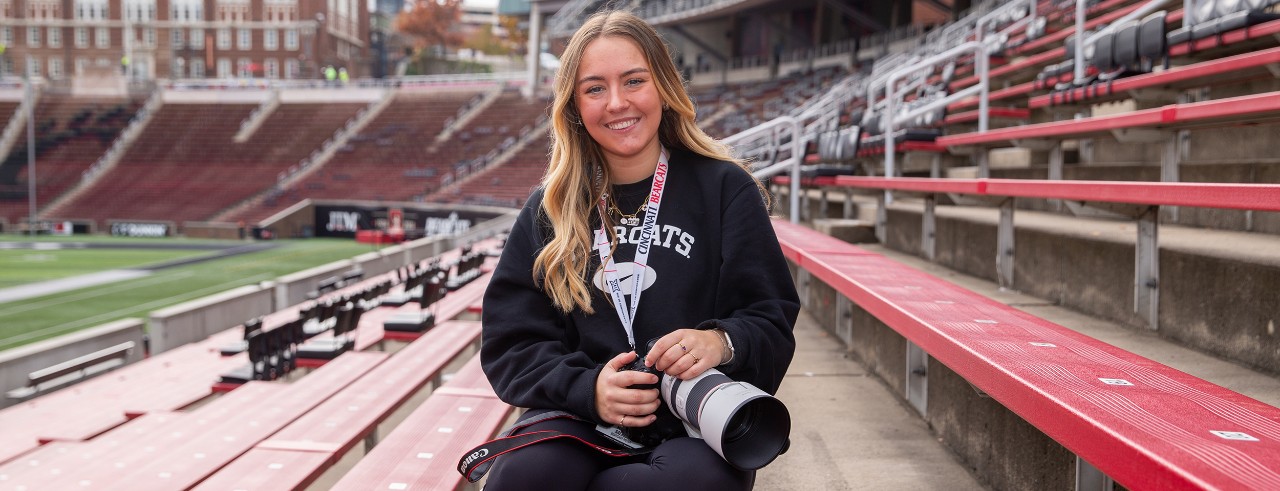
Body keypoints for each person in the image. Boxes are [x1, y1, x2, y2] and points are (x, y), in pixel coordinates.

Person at [475, 10, 799, 491]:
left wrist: (721, 342)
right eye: (594, 88)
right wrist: (589, 390)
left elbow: (770, 316)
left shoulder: (725, 188)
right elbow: (511, 343)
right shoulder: (552, 209)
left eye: (633, 81)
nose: (617, 103)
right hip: (577, 416)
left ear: (664, 88)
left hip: (692, 422)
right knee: (522, 479)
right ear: (574, 108)